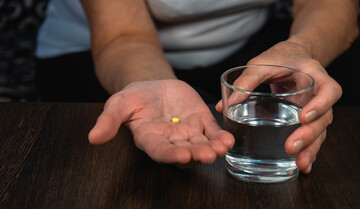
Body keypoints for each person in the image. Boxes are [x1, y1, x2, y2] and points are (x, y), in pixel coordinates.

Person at [35, 0, 359, 172]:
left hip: (243, 46)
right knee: (200, 168)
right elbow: (124, 36)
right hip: (112, 55)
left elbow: (331, 6)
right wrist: (153, 82)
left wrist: (301, 49)